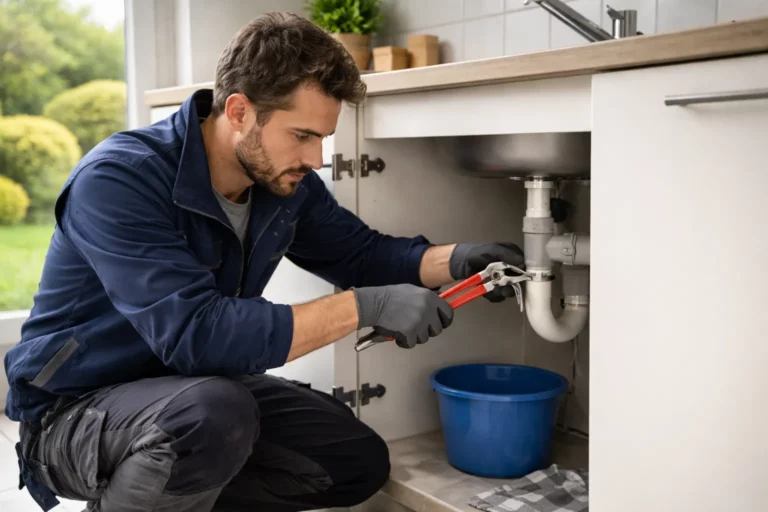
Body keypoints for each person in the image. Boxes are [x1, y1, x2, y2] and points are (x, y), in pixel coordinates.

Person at [4, 12, 524, 512]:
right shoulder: (119, 180)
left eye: (323, 137)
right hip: (75, 409)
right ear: (238, 112)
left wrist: (459, 261)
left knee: (352, 461)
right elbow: (196, 334)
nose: (317, 158)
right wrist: (364, 307)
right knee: (210, 417)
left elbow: (361, 255)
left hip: (192, 386)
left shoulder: (282, 183)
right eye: (302, 135)